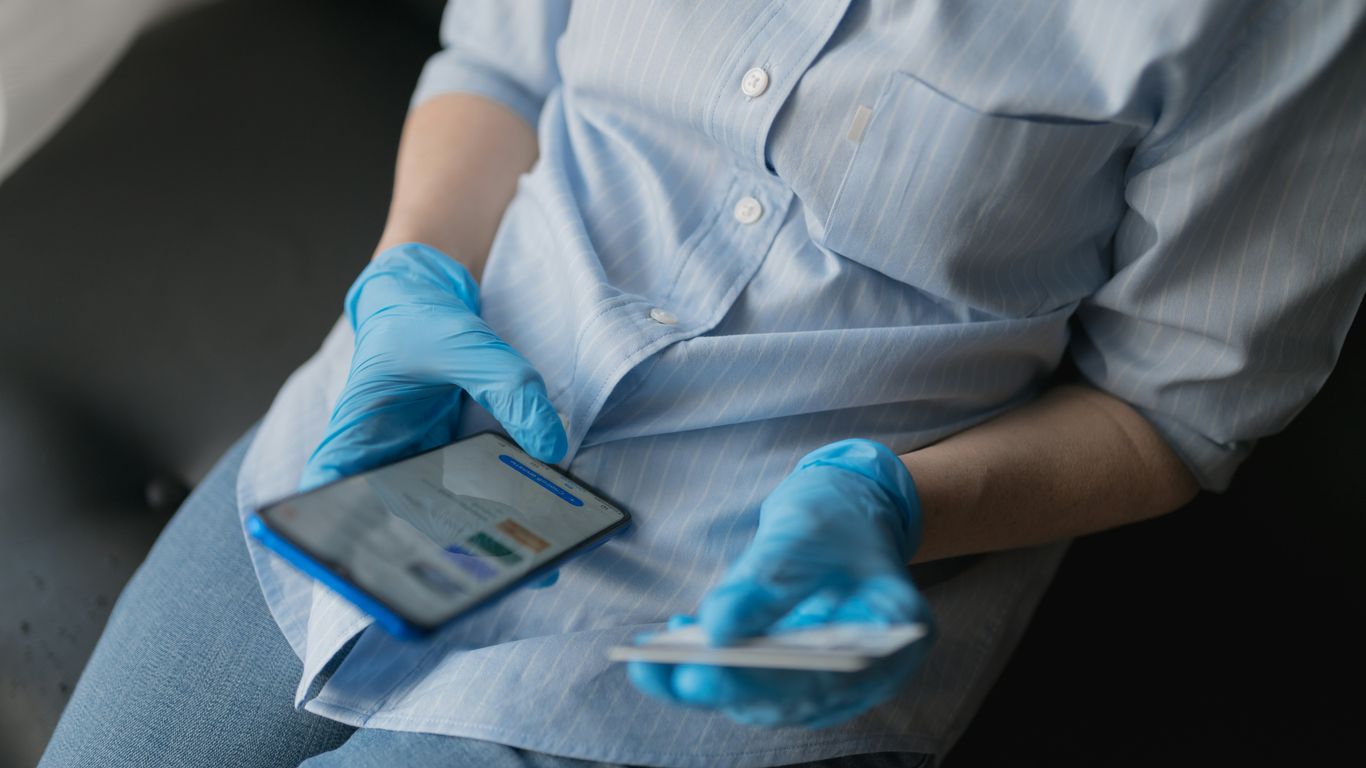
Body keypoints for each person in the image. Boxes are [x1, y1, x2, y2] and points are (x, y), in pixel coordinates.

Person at [41, 1, 1366, 766]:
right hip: (409, 445)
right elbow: (496, 62)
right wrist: (410, 278)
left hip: (727, 618)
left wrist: (893, 508)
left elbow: (1172, 407)